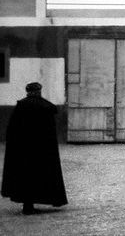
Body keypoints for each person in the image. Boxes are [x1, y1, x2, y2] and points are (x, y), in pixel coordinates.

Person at [2, 82, 68, 215]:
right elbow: (51, 118)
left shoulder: (21, 106)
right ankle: (31, 205)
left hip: (24, 151)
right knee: (38, 175)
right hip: (41, 150)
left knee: (25, 177)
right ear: (38, 91)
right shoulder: (44, 106)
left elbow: (12, 130)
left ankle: (28, 205)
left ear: (28, 92)